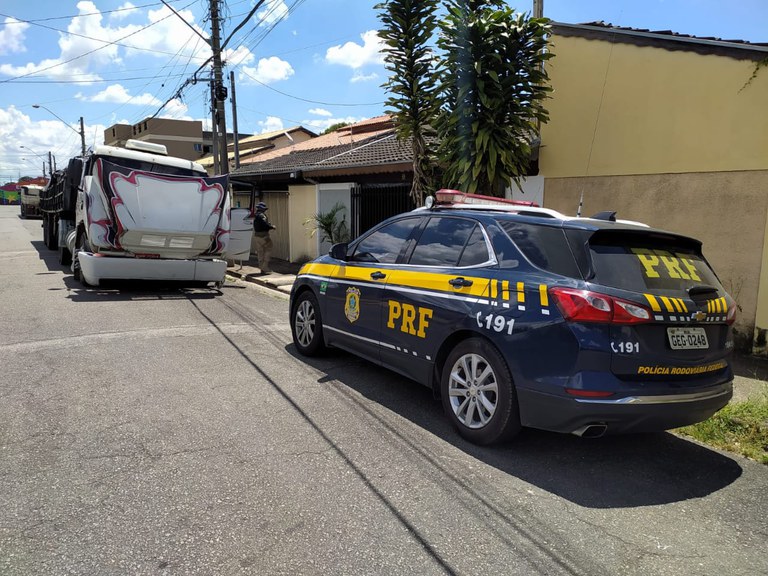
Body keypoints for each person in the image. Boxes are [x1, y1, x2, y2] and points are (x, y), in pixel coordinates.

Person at [252, 201, 275, 273]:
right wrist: (271, 227)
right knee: (268, 248)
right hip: (263, 236)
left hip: (257, 235)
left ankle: (261, 267)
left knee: (260, 252)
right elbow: (264, 225)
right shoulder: (262, 215)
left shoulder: (256, 215)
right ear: (262, 209)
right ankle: (265, 267)